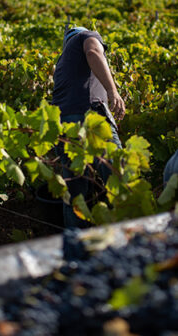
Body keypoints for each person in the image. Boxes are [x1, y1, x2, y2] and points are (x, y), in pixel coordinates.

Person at [52, 26, 126, 227]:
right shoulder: (87, 36)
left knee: (76, 195)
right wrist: (113, 92)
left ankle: (77, 249)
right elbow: (93, 51)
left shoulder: (62, 62)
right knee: (118, 177)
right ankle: (127, 235)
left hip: (63, 124)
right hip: (89, 115)